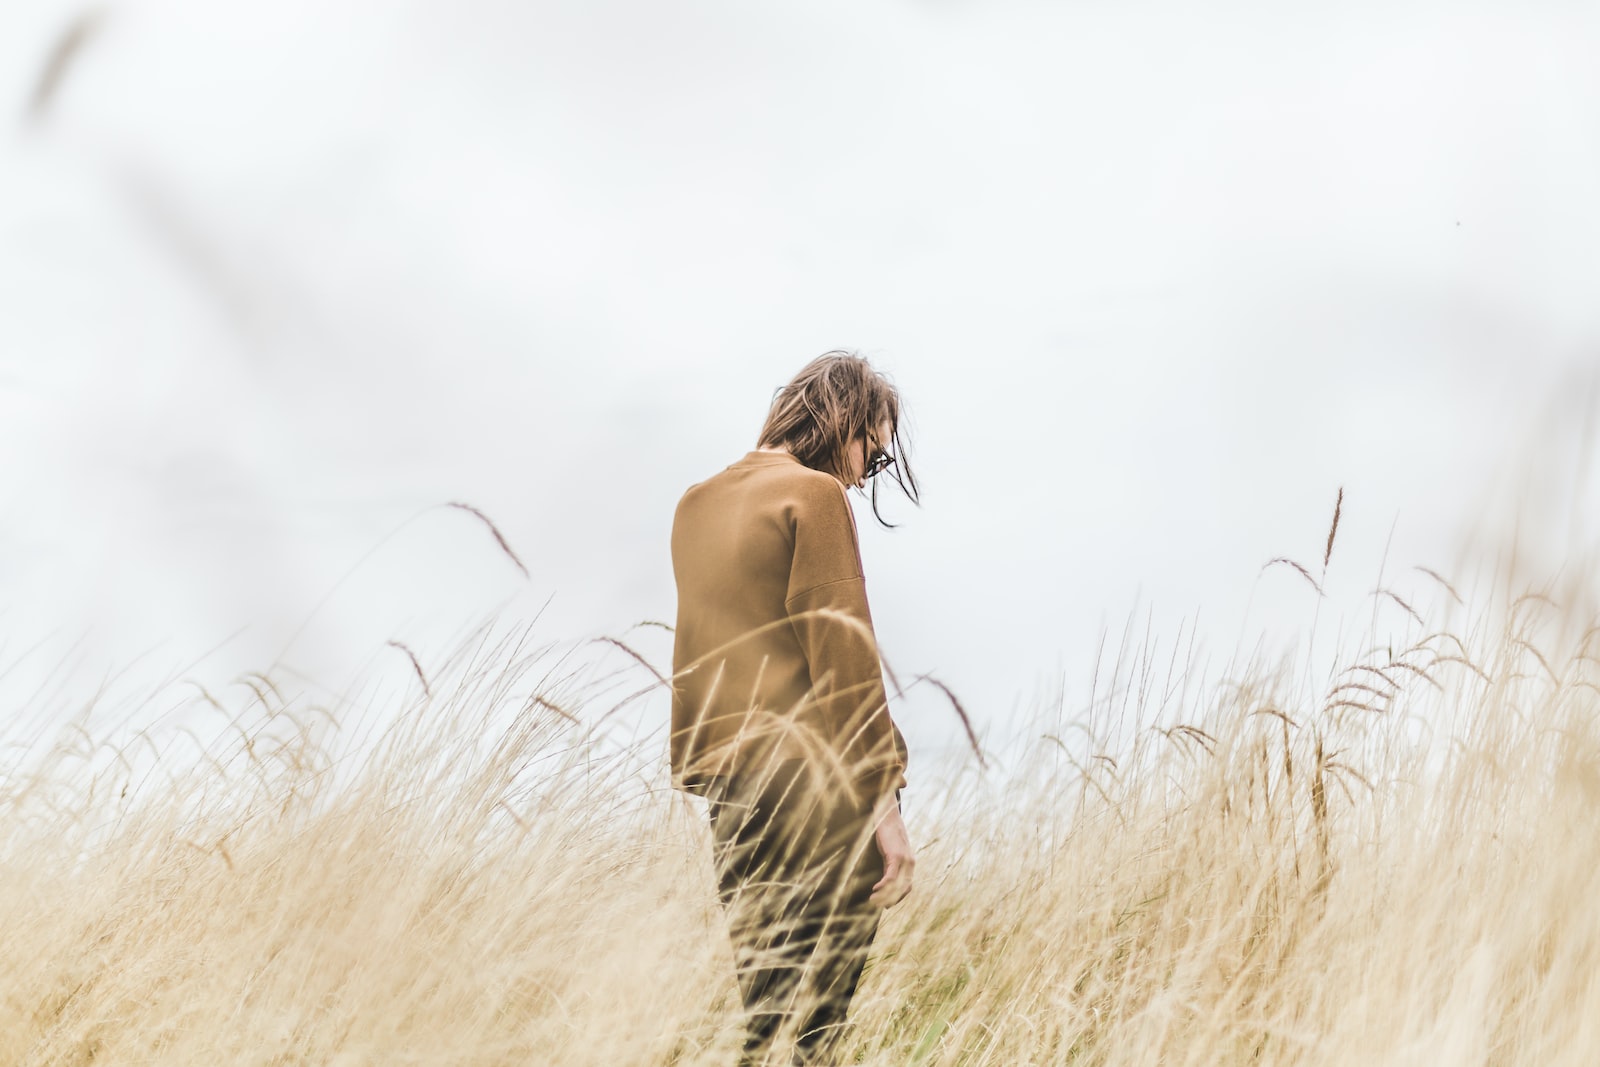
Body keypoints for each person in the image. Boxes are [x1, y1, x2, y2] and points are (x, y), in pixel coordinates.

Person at [669, 351, 919, 1066]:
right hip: (820, 787)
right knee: (819, 1030)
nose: (864, 471)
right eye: (870, 447)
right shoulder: (812, 496)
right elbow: (843, 656)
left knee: (762, 1011)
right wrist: (885, 804)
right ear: (839, 418)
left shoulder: (695, 504)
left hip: (733, 793)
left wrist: (711, 775)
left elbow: (698, 659)